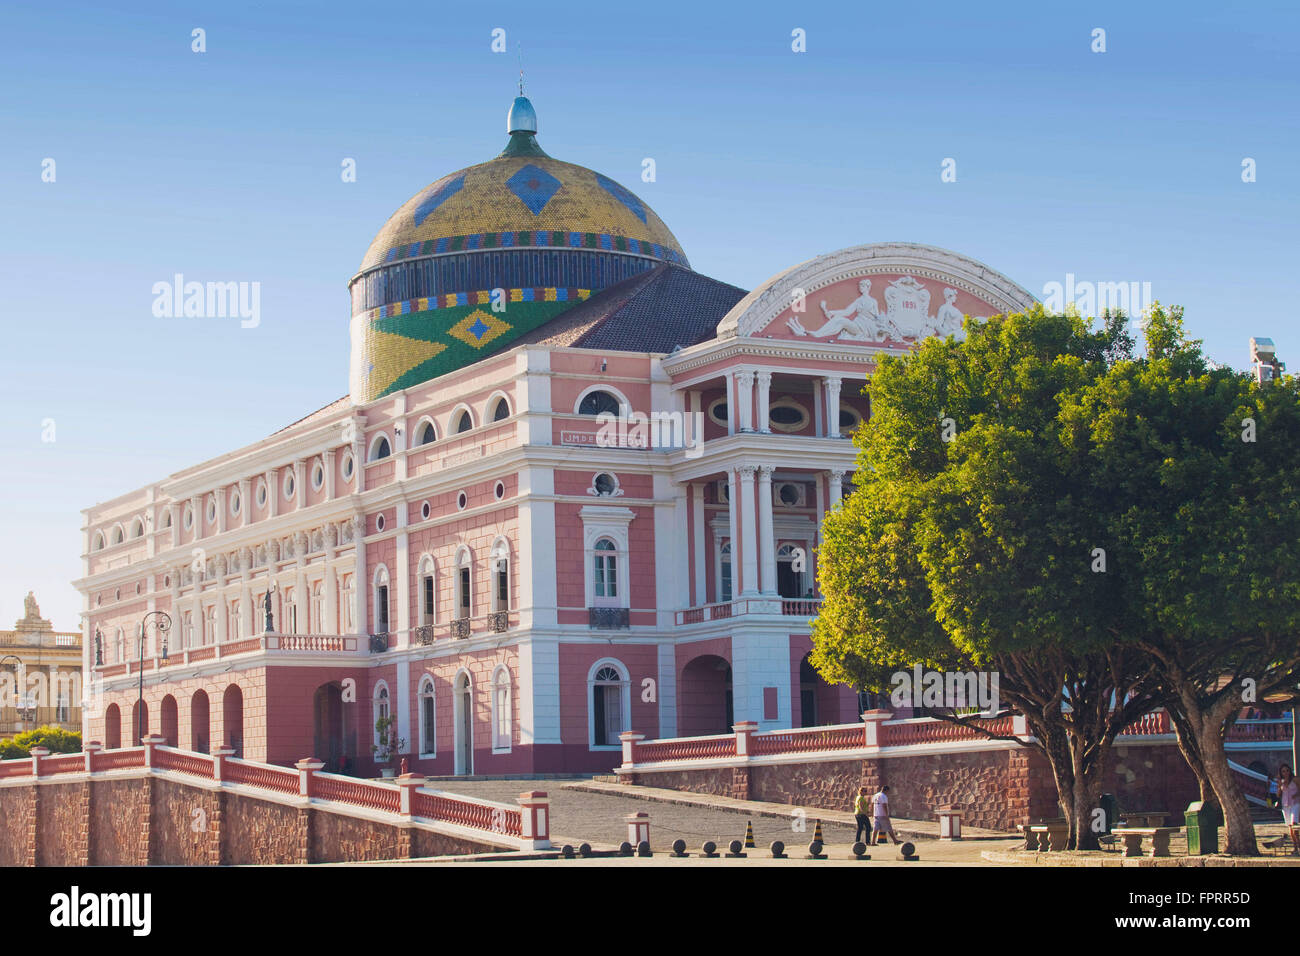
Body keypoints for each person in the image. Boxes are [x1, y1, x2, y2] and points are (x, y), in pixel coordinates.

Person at [1279, 763, 1299, 853]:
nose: (1286, 773)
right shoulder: (1281, 782)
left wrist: (1296, 795)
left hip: (1295, 803)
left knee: (1294, 824)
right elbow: (1278, 794)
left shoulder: (1295, 780)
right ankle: (1295, 847)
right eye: (1283, 771)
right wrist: (1280, 786)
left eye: (1287, 770)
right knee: (1290, 827)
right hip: (1285, 805)